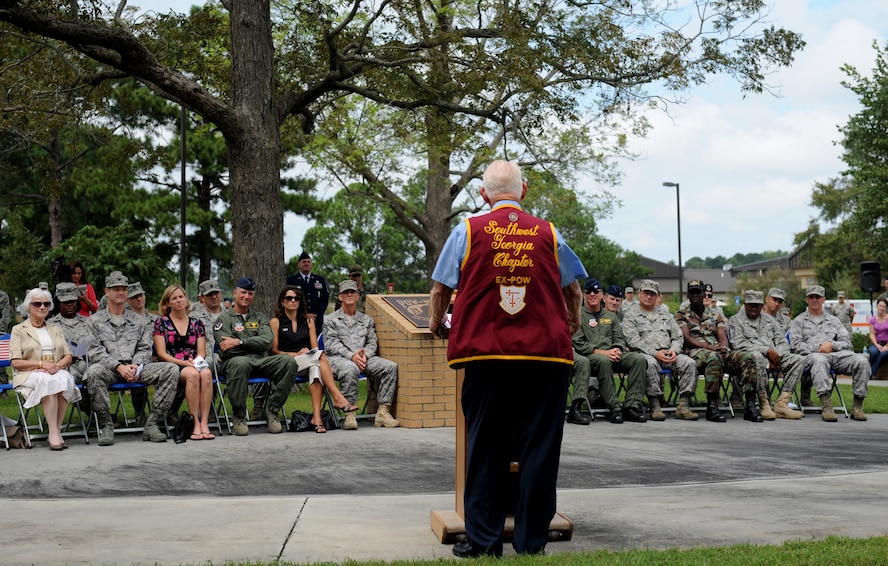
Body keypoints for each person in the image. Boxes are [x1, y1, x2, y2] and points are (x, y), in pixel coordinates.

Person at [428, 160, 585, 558]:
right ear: (524, 191)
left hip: (486, 354)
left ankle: (484, 541)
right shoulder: (548, 233)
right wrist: (574, 321)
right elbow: (573, 290)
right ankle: (531, 541)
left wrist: (435, 323)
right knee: (540, 447)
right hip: (545, 356)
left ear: (483, 195)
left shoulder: (466, 231)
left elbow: (439, 289)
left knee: (485, 446)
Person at [85, 271, 179, 446]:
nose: (120, 292)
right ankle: (106, 424)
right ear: (107, 291)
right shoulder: (94, 321)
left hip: (137, 368)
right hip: (110, 369)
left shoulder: (139, 320)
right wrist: (118, 366)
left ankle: (152, 423)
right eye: (116, 289)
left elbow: (145, 347)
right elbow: (95, 351)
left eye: (123, 289)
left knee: (171, 369)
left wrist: (136, 365)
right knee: (93, 372)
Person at [213, 276, 297, 436]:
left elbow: (266, 342)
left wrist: (238, 343)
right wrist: (252, 343)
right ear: (235, 293)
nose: (247, 296)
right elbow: (226, 349)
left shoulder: (260, 317)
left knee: (288, 361)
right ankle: (239, 416)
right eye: (243, 292)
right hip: (233, 364)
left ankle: (272, 411)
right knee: (240, 362)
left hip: (259, 361)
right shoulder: (223, 319)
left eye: (250, 293)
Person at [269, 285, 358, 433]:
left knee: (315, 368)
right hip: (287, 363)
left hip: (308, 361)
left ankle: (316, 419)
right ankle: (338, 397)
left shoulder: (308, 321)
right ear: (282, 302)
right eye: (289, 298)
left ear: (300, 301)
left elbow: (315, 349)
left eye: (296, 298)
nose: (293, 301)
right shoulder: (275, 322)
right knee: (320, 357)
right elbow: (274, 351)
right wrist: (296, 354)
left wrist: (307, 353)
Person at [675, 280, 759, 422]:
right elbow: (687, 338)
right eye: (692, 292)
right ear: (688, 295)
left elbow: (722, 335)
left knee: (748, 358)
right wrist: (711, 348)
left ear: (704, 294)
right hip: (694, 352)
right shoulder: (681, 315)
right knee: (713, 357)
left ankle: (750, 405)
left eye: (698, 292)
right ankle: (712, 405)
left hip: (717, 350)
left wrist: (723, 348)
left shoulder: (715, 315)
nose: (695, 295)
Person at [9, 288, 81, 450]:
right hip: (29, 373)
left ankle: (55, 430)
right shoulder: (18, 330)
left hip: (54, 369)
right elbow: (15, 362)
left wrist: (56, 366)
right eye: (37, 304)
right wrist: (41, 365)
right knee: (49, 379)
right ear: (28, 307)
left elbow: (68, 356)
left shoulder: (55, 328)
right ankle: (55, 433)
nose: (42, 307)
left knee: (64, 378)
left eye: (46, 304)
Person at [569, 278, 647, 425]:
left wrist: (617, 349)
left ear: (602, 295)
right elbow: (578, 343)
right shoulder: (578, 315)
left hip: (613, 355)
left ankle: (631, 406)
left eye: (596, 291)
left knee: (639, 359)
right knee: (604, 361)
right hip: (591, 357)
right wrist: (603, 353)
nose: (592, 294)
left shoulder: (611, 316)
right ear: (584, 295)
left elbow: (619, 338)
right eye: (588, 292)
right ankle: (614, 408)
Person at [325, 279, 400, 430]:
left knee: (390, 367)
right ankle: (350, 413)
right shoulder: (330, 319)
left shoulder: (367, 320)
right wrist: (351, 356)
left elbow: (372, 342)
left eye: (352, 291)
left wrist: (365, 355)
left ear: (358, 296)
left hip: (364, 359)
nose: (349, 294)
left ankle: (383, 412)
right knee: (350, 368)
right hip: (338, 360)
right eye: (346, 292)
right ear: (340, 297)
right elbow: (331, 344)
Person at [789, 285, 870, 422]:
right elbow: (795, 345)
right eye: (811, 297)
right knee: (819, 360)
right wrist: (819, 347)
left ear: (823, 300)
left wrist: (832, 345)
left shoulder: (834, 320)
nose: (815, 300)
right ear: (806, 300)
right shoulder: (799, 321)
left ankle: (857, 406)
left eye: (818, 297)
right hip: (811, 357)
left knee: (862, 361)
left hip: (836, 356)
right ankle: (826, 404)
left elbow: (847, 342)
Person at [622, 279, 698, 421]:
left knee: (689, 363)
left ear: (657, 296)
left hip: (668, 354)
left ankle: (684, 404)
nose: (649, 297)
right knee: (649, 364)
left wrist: (674, 350)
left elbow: (677, 336)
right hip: (645, 354)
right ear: (639, 293)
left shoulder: (665, 315)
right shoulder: (630, 315)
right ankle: (654, 404)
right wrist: (655, 353)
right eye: (646, 293)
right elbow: (633, 341)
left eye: (652, 294)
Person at [727, 290, 804, 419]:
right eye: (750, 305)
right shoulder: (736, 320)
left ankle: (782, 403)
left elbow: (782, 341)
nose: (753, 308)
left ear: (762, 305)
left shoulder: (769, 320)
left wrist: (776, 355)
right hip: (750, 361)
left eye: (757, 305)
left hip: (773, 357)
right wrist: (767, 351)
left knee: (798, 360)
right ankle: (764, 403)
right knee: (757, 357)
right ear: (745, 305)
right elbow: (738, 344)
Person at [152, 284, 215, 441]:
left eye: (181, 297)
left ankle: (204, 422)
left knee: (206, 373)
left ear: (186, 300)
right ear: (167, 303)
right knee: (193, 375)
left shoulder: (197, 324)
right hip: (172, 364)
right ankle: (194, 424)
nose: (179, 300)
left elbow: (202, 352)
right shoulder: (161, 323)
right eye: (174, 298)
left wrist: (194, 361)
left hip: (194, 361)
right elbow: (161, 353)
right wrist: (183, 363)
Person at [48, 282, 92, 414]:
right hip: (64, 365)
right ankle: (94, 415)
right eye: (65, 302)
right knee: (70, 378)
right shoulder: (51, 325)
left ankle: (101, 416)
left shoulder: (88, 322)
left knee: (94, 375)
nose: (69, 305)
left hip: (87, 361)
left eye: (72, 301)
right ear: (58, 303)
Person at [125, 280, 157, 427]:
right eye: (134, 297)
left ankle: (169, 413)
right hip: (134, 361)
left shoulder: (156, 320)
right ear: (128, 300)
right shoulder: (125, 322)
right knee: (136, 370)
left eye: (140, 295)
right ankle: (140, 414)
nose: (139, 299)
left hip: (157, 358)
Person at [286, 252, 330, 332]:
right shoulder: (291, 280)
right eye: (304, 262)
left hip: (317, 321)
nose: (306, 264)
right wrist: (303, 315)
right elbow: (289, 300)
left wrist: (316, 314)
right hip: (298, 320)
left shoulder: (319, 280)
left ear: (311, 264)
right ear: (299, 264)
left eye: (308, 262)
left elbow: (325, 299)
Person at [867, 298, 888, 377]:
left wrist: (886, 346)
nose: (881, 308)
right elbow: (871, 334)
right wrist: (876, 345)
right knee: (874, 352)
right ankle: (866, 369)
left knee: (883, 354)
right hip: (877, 342)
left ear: (886, 308)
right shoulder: (873, 319)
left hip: (887, 344)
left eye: (884, 306)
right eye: (880, 306)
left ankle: (871, 373)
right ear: (876, 306)